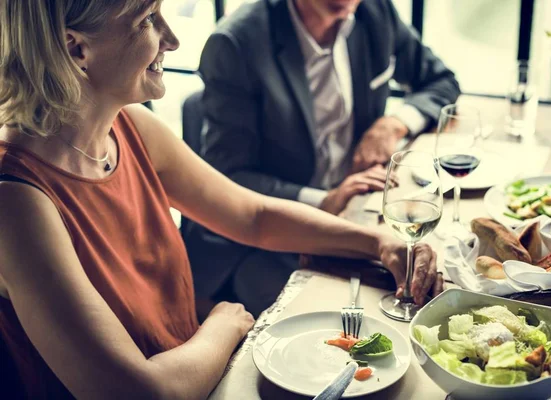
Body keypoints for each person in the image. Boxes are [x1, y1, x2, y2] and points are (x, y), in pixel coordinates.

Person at [0, 1, 441, 398]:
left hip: (199, 369)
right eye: (148, 19)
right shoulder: (15, 200)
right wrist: (222, 326)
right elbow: (139, 392)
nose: (170, 40)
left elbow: (254, 216)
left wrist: (379, 243)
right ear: (76, 49)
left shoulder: (129, 126)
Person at [188, 0, 459, 315]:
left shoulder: (375, 11)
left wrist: (394, 124)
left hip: (358, 211)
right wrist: (323, 200)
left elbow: (442, 81)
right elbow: (227, 179)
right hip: (262, 241)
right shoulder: (235, 43)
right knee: (357, 320)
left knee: (436, 290)